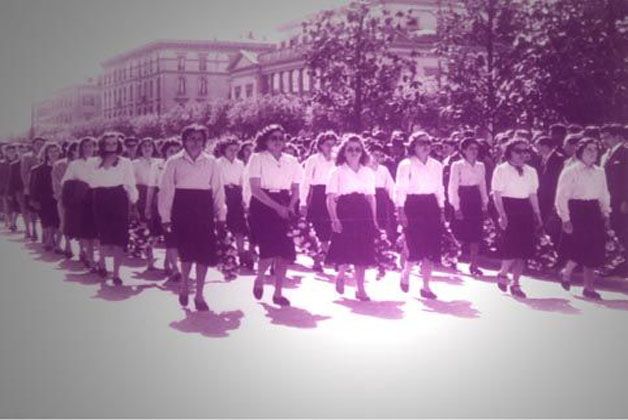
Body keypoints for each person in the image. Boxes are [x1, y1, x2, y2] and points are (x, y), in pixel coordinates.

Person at [159, 124, 226, 311]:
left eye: (199, 139)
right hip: (182, 209)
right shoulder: (173, 162)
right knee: (187, 252)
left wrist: (221, 215)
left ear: (204, 142)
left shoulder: (212, 162)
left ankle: (199, 295)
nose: (195, 142)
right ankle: (184, 286)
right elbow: (166, 191)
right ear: (184, 141)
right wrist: (165, 217)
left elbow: (218, 190)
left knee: (204, 253)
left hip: (204, 209)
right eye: (191, 139)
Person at [247, 124, 303, 307]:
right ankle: (260, 278)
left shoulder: (291, 160)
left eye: (281, 138)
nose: (278, 141)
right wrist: (277, 207)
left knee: (284, 252)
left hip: (285, 202)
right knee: (269, 250)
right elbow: (255, 189)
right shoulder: (257, 158)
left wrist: (290, 206)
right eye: (273, 138)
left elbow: (296, 188)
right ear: (266, 141)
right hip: (263, 205)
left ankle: (278, 293)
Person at [555, 138, 611, 300]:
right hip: (576, 211)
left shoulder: (600, 172)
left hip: (593, 211)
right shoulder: (570, 171)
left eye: (595, 149)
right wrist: (565, 218)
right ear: (580, 151)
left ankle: (588, 288)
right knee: (580, 247)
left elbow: (604, 193)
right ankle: (566, 272)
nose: (593, 153)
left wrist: (606, 213)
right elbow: (561, 196)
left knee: (594, 249)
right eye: (589, 149)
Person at [326, 134, 378, 301]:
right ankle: (341, 275)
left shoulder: (368, 172)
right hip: (344, 211)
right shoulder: (337, 172)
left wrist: (374, 220)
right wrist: (334, 219)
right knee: (344, 247)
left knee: (362, 251)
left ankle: (360, 289)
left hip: (363, 213)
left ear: (362, 152)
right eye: (350, 149)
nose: (354, 152)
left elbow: (371, 197)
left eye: (357, 149)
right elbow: (330, 198)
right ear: (344, 152)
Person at [396, 131, 445, 300]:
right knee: (415, 247)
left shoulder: (437, 165)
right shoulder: (406, 164)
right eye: (421, 143)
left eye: (428, 143)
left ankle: (426, 287)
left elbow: (439, 188)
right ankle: (406, 273)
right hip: (412, 206)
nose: (425, 146)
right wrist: (401, 211)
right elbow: (400, 189)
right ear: (413, 146)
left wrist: (441, 209)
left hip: (431, 206)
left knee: (430, 249)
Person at [491, 139, 543, 298]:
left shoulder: (531, 171)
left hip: (525, 209)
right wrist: (502, 215)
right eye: (518, 151)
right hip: (508, 208)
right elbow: (497, 194)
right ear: (509, 153)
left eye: (524, 151)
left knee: (523, 250)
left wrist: (537, 214)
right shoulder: (501, 170)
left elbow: (533, 194)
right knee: (511, 247)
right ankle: (503, 273)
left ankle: (516, 284)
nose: (522, 154)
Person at [90, 132, 138, 285]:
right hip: (100, 197)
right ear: (102, 145)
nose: (111, 146)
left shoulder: (125, 162)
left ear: (119, 145)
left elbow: (130, 183)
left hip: (119, 198)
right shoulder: (95, 162)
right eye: (108, 143)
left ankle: (116, 273)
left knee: (119, 238)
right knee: (103, 235)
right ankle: (102, 263)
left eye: (114, 143)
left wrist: (133, 202)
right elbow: (91, 183)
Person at [448, 138, 489, 277]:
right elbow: (452, 187)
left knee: (475, 234)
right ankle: (452, 260)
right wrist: (456, 207)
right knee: (459, 233)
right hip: (462, 199)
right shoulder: (457, 165)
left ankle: (474, 264)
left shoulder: (481, 166)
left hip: (475, 200)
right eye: (471, 148)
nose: (474, 151)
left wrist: (485, 203)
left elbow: (482, 185)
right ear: (464, 150)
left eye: (476, 148)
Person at [300, 131, 338, 271]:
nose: (330, 147)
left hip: (333, 195)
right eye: (327, 144)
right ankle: (317, 259)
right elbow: (305, 181)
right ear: (320, 145)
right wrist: (303, 201)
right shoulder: (313, 159)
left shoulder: (337, 159)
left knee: (331, 228)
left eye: (333, 145)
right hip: (317, 195)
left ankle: (331, 257)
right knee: (317, 229)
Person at [147, 138, 182, 280]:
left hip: (178, 201)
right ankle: (149, 250)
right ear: (165, 152)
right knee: (156, 233)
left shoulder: (182, 165)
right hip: (161, 200)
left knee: (171, 234)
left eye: (177, 151)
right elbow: (151, 187)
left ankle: (170, 265)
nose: (173, 154)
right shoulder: (157, 166)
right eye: (170, 151)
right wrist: (148, 206)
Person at [62, 137, 98, 269]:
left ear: (95, 147)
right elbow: (65, 182)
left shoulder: (99, 162)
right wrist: (80, 186)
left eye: (91, 146)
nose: (88, 149)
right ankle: (89, 256)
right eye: (85, 146)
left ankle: (93, 256)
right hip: (83, 199)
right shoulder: (75, 164)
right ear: (81, 148)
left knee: (96, 231)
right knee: (86, 230)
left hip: (97, 197)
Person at [217, 137, 252, 268]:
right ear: (224, 150)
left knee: (240, 228)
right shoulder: (218, 163)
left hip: (237, 196)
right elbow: (217, 183)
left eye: (235, 150)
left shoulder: (240, 164)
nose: (233, 152)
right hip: (223, 194)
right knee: (225, 227)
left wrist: (244, 199)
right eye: (230, 150)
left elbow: (243, 182)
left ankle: (242, 254)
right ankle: (227, 255)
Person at [600, 124, 628, 277]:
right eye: (602, 138)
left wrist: (626, 200)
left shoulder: (625, 153)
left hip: (620, 201)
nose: (604, 141)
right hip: (607, 200)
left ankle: (623, 266)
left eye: (607, 137)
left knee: (621, 233)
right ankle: (612, 264)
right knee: (611, 232)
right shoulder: (605, 155)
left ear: (617, 136)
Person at [133, 137, 160, 270]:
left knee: (156, 227)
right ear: (140, 148)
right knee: (144, 227)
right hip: (141, 194)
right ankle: (149, 257)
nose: (147, 148)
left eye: (150, 145)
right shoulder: (135, 163)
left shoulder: (159, 162)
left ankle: (149, 248)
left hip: (156, 193)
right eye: (144, 146)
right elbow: (131, 182)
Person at [30, 142, 62, 252]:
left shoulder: (63, 166)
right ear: (46, 153)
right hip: (45, 199)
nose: (53, 154)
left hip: (60, 197)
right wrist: (34, 200)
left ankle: (55, 242)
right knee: (48, 221)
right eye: (51, 151)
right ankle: (49, 241)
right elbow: (35, 186)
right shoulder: (39, 169)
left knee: (58, 221)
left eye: (56, 151)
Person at [535, 135, 565, 249]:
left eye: (538, 146)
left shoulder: (558, 159)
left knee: (552, 226)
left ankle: (552, 249)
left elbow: (556, 181)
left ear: (545, 147)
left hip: (552, 198)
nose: (536, 149)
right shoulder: (543, 159)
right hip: (544, 198)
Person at [52, 141, 78, 258]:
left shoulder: (87, 164)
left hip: (81, 199)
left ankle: (82, 251)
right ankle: (68, 246)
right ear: (71, 151)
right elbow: (56, 182)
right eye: (77, 149)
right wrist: (60, 196)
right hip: (64, 197)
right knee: (65, 222)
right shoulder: (60, 164)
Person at [20, 137, 46, 241]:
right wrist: (27, 186)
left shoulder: (46, 155)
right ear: (33, 145)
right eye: (38, 144)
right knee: (32, 210)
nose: (40, 146)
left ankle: (45, 233)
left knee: (44, 210)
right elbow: (24, 172)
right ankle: (33, 230)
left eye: (42, 144)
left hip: (44, 187)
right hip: (32, 187)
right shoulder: (27, 157)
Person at [2, 144, 20, 231]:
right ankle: (9, 222)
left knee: (17, 206)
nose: (11, 153)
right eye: (9, 151)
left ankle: (13, 222)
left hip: (16, 187)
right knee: (8, 206)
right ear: (5, 153)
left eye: (13, 151)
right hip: (5, 188)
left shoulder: (19, 162)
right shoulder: (2, 163)